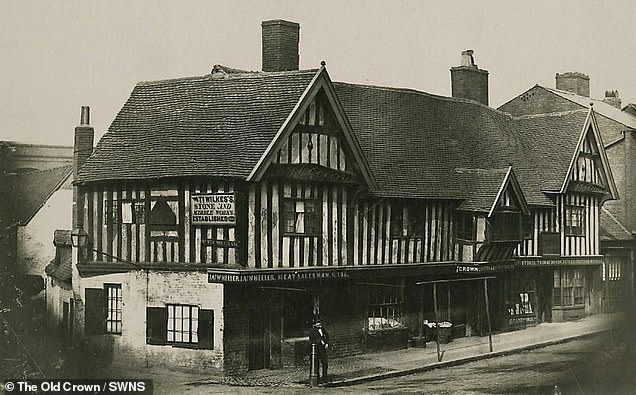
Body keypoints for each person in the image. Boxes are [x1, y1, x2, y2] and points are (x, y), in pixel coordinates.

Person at [309, 318, 330, 383]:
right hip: (316, 350)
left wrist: (327, 343)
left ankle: (325, 378)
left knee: (325, 364)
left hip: (323, 349)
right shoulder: (312, 331)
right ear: (315, 324)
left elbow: (327, 336)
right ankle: (317, 379)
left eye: (320, 323)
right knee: (316, 364)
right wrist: (319, 341)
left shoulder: (323, 329)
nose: (319, 324)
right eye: (317, 323)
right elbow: (311, 339)